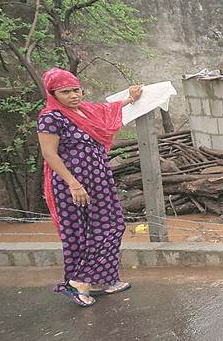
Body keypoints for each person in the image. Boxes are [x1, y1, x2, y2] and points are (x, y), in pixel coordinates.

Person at [37, 68, 142, 306]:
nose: (74, 95)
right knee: (81, 232)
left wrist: (129, 98)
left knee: (112, 225)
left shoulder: (85, 111)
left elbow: (109, 109)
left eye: (76, 90)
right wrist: (73, 184)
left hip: (98, 179)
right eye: (66, 92)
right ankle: (80, 283)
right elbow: (49, 154)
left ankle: (105, 279)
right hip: (71, 185)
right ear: (53, 94)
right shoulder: (51, 117)